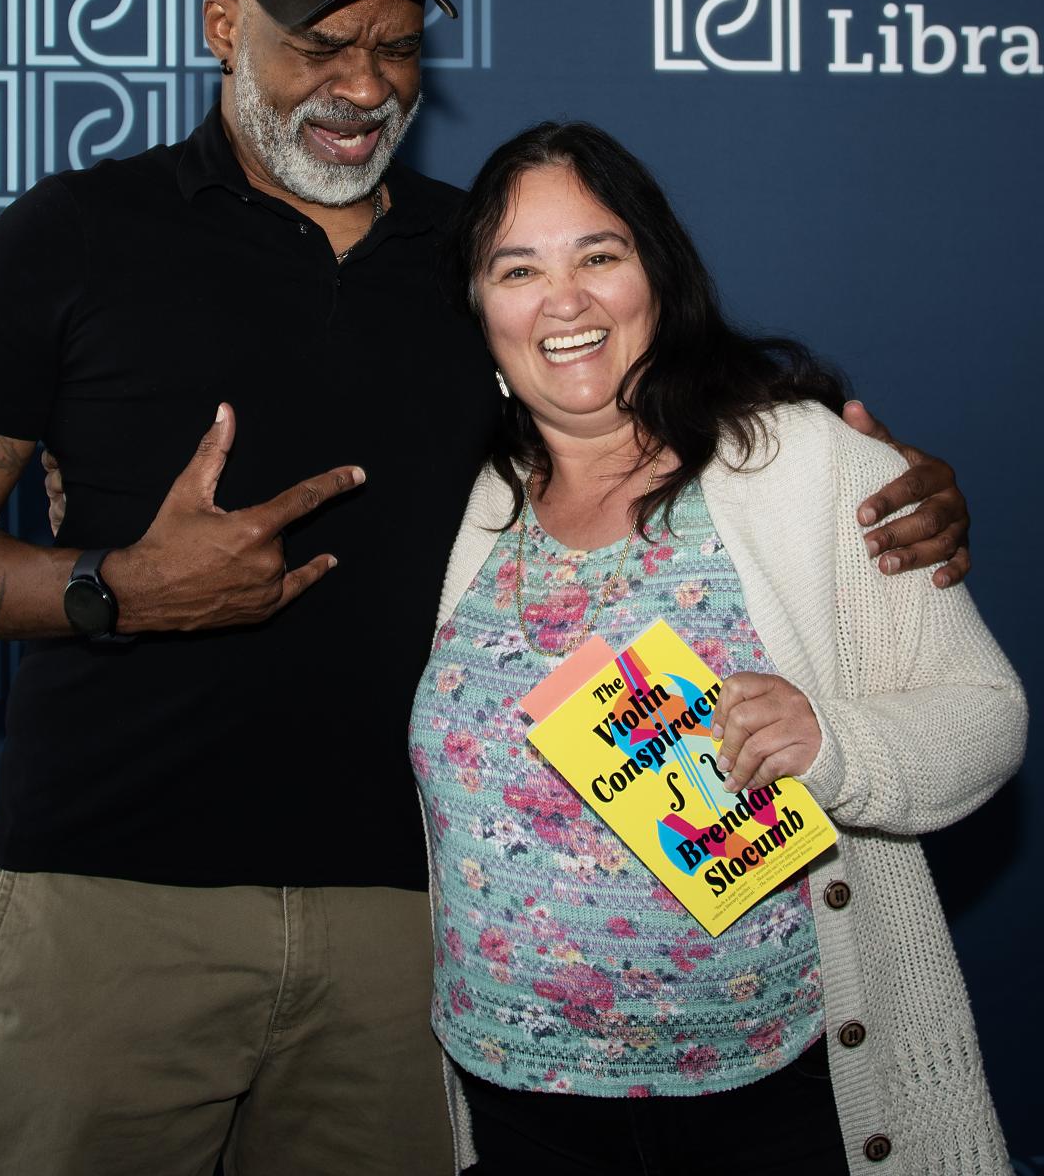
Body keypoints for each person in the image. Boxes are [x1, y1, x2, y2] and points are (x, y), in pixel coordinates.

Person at [0, 0, 970, 1176]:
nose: (367, 87)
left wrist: (874, 488)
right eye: (323, 45)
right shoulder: (75, 237)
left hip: (413, 933)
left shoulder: (479, 268)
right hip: (104, 906)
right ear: (224, 26)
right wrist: (115, 588)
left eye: (396, 49)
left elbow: (679, 414)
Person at [411, 121, 1024, 1176]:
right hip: (515, 1098)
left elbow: (985, 712)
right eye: (519, 269)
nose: (564, 300)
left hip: (768, 1097)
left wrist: (830, 742)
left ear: (659, 273)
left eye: (599, 255)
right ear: (480, 311)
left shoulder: (802, 465)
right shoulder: (459, 507)